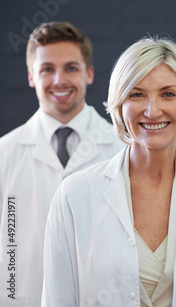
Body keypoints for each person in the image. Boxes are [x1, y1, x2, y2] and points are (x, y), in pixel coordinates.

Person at [42, 36, 176, 306]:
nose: (153, 110)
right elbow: (57, 299)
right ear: (120, 106)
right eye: (137, 94)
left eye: (168, 94)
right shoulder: (74, 196)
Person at [0, 22, 123, 307]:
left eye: (71, 68)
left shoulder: (123, 149)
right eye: (47, 70)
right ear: (31, 76)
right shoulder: (4, 154)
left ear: (89, 73)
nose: (59, 80)